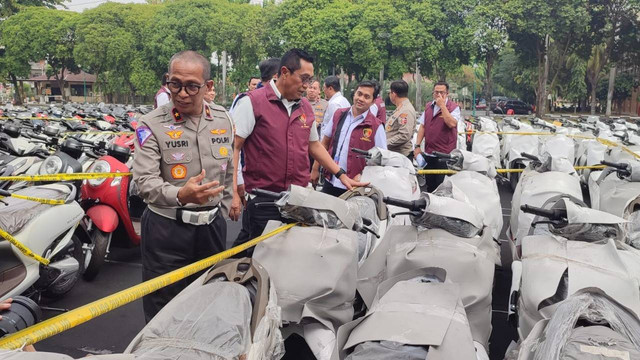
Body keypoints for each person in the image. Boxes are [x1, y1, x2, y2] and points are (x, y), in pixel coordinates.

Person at [133, 50, 235, 322]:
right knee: (163, 309)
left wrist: (221, 213)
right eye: (175, 84)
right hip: (167, 231)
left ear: (208, 87)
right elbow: (144, 182)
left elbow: (228, 169)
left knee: (208, 300)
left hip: (211, 229)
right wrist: (180, 194)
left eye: (192, 86)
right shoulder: (151, 124)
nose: (182, 93)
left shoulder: (223, 120)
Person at [230, 49, 366, 253]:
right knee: (256, 257)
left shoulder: (304, 107)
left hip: (297, 199)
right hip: (264, 199)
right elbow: (234, 148)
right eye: (303, 79)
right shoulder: (253, 102)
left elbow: (314, 145)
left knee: (289, 257)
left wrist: (340, 174)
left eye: (310, 80)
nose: (307, 86)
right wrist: (233, 190)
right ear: (284, 72)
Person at [311, 81, 387, 197]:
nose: (361, 99)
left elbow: (381, 160)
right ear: (354, 94)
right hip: (330, 179)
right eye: (359, 94)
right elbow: (325, 143)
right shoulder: (339, 114)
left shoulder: (376, 126)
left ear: (373, 101)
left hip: (354, 187)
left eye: (367, 97)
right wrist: (315, 168)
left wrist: (362, 175)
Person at [413, 81, 461, 192]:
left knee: (442, 188)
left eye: (442, 93)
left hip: (445, 155)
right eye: (436, 92)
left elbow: (452, 123)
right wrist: (417, 146)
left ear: (447, 93)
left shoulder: (453, 108)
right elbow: (423, 127)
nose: (439, 95)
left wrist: (442, 106)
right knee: (430, 186)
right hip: (429, 153)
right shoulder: (429, 106)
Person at [385, 80, 416, 159]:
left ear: (394, 94)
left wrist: (384, 143)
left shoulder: (406, 111)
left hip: (401, 156)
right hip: (394, 154)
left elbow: (404, 135)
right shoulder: (400, 108)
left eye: (390, 93)